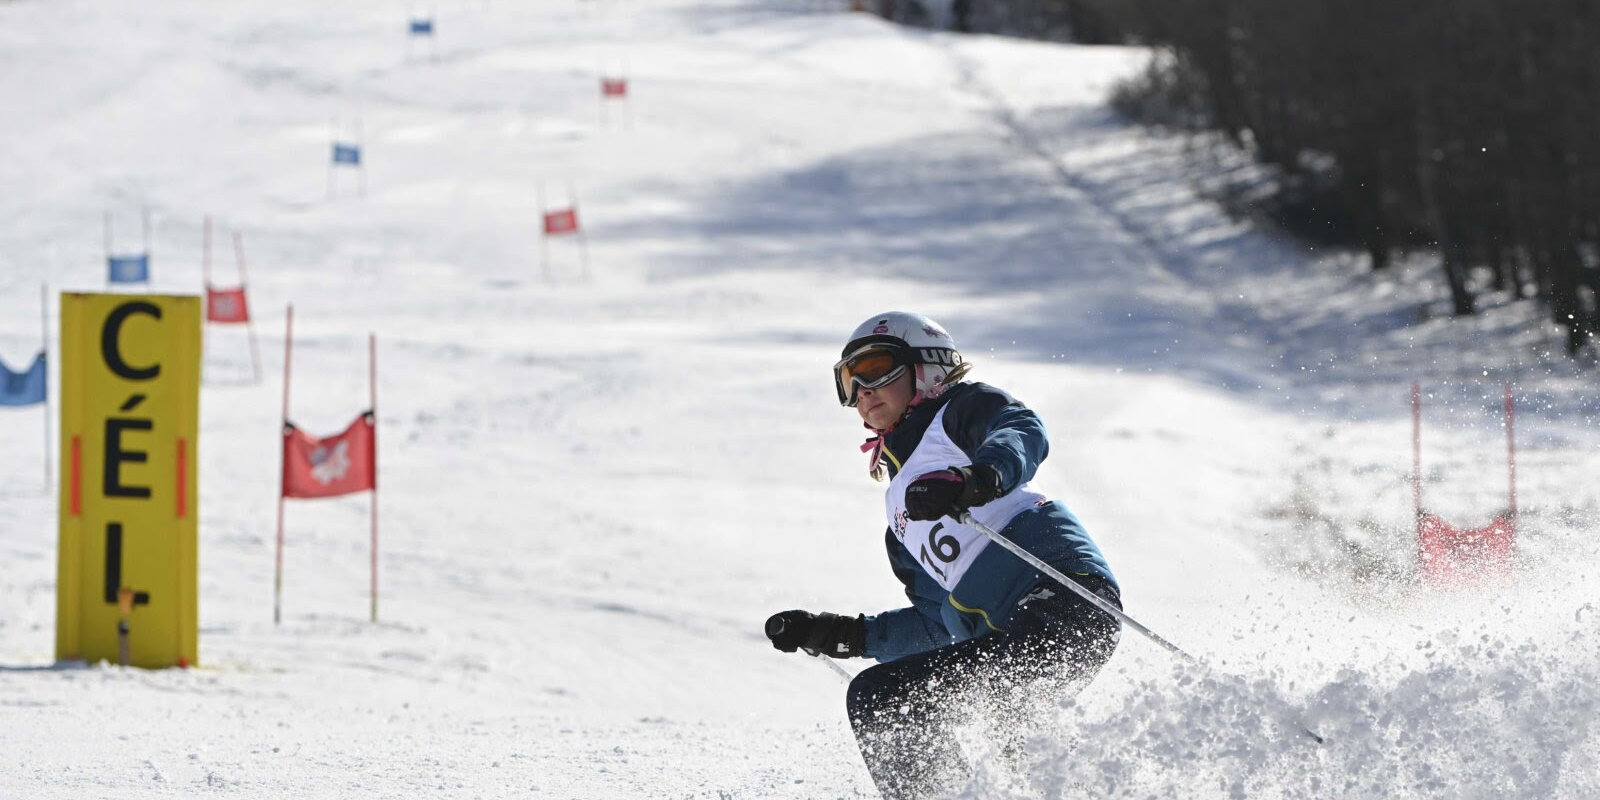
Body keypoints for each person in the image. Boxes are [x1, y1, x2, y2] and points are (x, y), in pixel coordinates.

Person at [765, 311, 1122, 799]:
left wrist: (978, 478)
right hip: (1012, 634)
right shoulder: (902, 515)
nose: (862, 391)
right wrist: (846, 634)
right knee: (1022, 756)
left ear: (927, 366)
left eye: (875, 367)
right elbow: (937, 625)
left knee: (883, 700)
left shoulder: (958, 412)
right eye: (849, 381)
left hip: (1065, 601)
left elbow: (1022, 430)